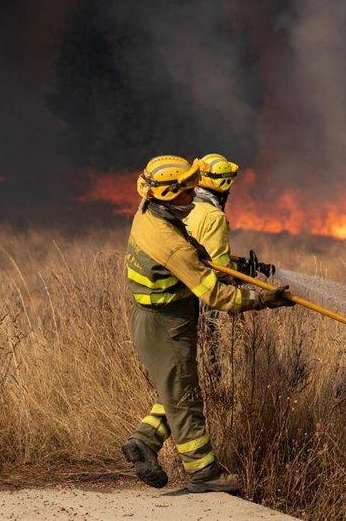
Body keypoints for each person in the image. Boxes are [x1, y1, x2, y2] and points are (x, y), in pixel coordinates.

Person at [120, 155, 293, 493]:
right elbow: (216, 296)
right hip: (167, 324)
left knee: (178, 388)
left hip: (155, 318)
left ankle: (145, 441)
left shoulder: (149, 210)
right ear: (168, 195)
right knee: (185, 397)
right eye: (186, 190)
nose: (192, 194)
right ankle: (205, 474)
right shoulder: (171, 247)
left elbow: (192, 250)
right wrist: (263, 300)